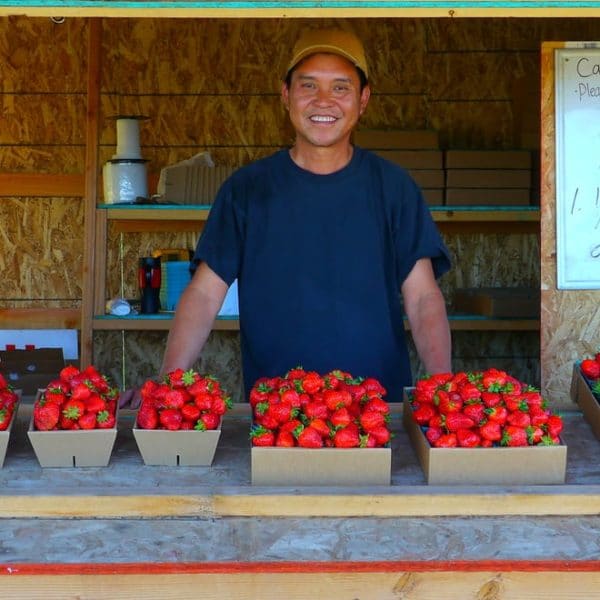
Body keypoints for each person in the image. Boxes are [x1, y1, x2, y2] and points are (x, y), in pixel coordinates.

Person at [157, 27, 452, 403]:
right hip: (278, 416)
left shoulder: (393, 188)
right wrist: (168, 382)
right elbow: (202, 294)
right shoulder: (247, 190)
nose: (324, 101)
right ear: (286, 95)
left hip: (375, 416)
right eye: (309, 86)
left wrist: (444, 386)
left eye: (341, 87)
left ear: (363, 99)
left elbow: (424, 297)